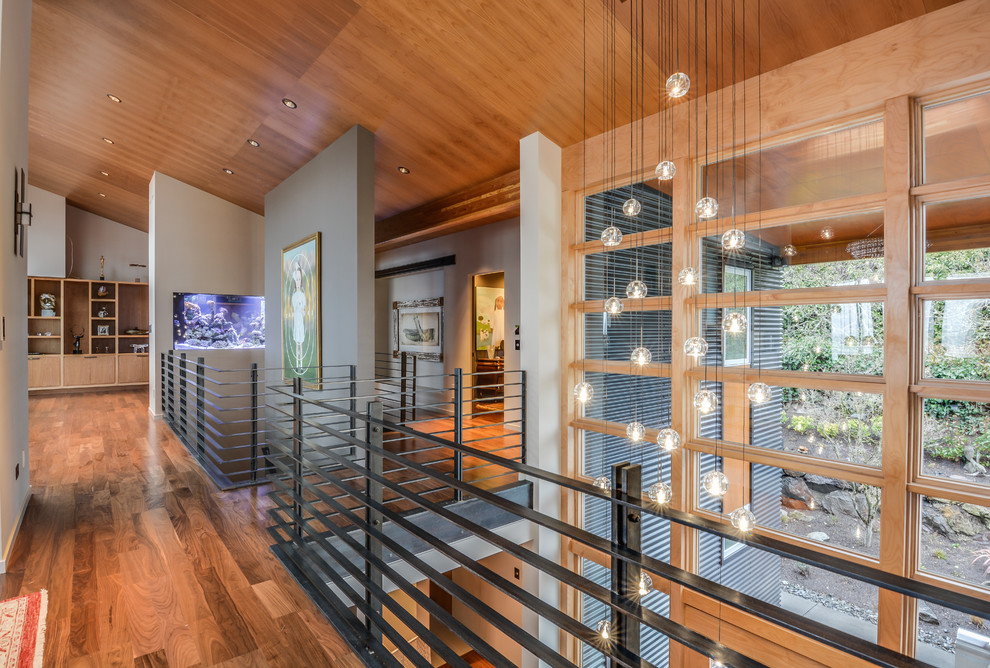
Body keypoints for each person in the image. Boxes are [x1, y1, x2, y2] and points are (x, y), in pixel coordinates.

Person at [291, 261, 306, 370]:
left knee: (301, 341)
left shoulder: (302, 295)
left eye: (299, 279)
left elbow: (304, 312)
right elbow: (293, 309)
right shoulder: (295, 295)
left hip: (300, 319)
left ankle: (301, 364)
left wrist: (302, 309)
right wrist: (297, 308)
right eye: (296, 280)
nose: (298, 282)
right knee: (297, 341)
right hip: (296, 319)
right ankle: (297, 364)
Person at [490, 294, 505, 358]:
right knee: (495, 345)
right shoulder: (494, 313)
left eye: (501, 301)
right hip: (496, 331)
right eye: (498, 301)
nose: (499, 303)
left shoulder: (505, 312)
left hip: (503, 331)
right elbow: (492, 324)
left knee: (503, 344)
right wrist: (493, 332)